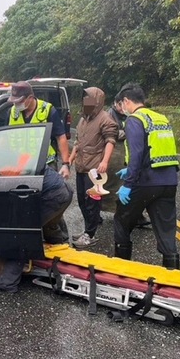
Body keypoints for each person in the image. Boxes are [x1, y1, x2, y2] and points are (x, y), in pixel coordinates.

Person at [0, 81, 74, 293]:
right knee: (44, 212)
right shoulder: (14, 114)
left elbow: (61, 136)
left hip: (43, 167)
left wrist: (66, 163)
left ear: (30, 98)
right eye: (13, 101)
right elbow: (4, 138)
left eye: (19, 101)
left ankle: (8, 281)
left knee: (25, 227)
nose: (16, 105)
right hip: (27, 168)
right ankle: (58, 246)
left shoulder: (47, 109)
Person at [112, 83, 180, 269]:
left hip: (146, 182)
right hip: (169, 181)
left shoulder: (135, 120)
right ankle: (172, 274)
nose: (122, 109)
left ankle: (121, 269)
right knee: (165, 230)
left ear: (126, 101)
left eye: (121, 104)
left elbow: (137, 153)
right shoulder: (160, 118)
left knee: (121, 220)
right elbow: (156, 149)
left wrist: (128, 182)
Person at [68, 87, 118, 248]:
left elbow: (110, 141)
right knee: (82, 200)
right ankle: (87, 230)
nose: (86, 103)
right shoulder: (84, 119)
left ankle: (90, 234)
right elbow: (77, 142)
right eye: (85, 100)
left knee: (93, 202)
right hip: (81, 167)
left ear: (97, 101)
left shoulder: (106, 119)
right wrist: (71, 158)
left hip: (95, 170)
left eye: (89, 99)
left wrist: (104, 161)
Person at [105, 96, 152, 227]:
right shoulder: (110, 115)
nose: (122, 109)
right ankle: (122, 216)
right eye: (120, 105)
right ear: (115, 104)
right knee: (116, 185)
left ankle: (134, 216)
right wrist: (130, 131)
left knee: (131, 184)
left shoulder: (131, 115)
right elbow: (111, 133)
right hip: (117, 154)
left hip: (128, 153)